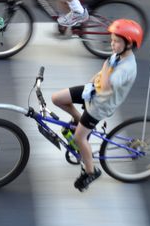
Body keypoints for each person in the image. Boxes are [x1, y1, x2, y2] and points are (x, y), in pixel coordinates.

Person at [50, 19, 141, 192]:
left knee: (79, 138)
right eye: (112, 40)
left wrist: (105, 67)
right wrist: (92, 81)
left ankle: (91, 171)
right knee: (57, 98)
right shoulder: (119, 55)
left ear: (129, 43)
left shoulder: (127, 68)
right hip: (92, 92)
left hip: (100, 105)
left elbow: (107, 86)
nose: (112, 44)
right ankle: (79, 121)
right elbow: (102, 74)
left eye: (116, 41)